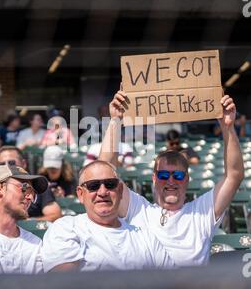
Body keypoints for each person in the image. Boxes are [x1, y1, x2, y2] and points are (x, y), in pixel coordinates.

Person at [98, 89, 244, 267]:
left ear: (187, 179)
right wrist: (115, 121)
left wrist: (227, 127)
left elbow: (234, 176)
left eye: (178, 175)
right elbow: (103, 173)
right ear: (154, 178)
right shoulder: (139, 210)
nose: (171, 181)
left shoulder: (201, 212)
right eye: (164, 175)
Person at [42, 160, 173, 272]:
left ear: (120, 191)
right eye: (93, 186)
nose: (103, 192)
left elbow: (172, 281)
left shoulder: (145, 237)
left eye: (110, 184)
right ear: (81, 194)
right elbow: (64, 287)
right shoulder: (66, 228)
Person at [0, 146, 62, 222]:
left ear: (23, 163)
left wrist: (28, 223)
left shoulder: (37, 186)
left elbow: (55, 215)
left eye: (11, 163)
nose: (7, 166)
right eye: (2, 164)